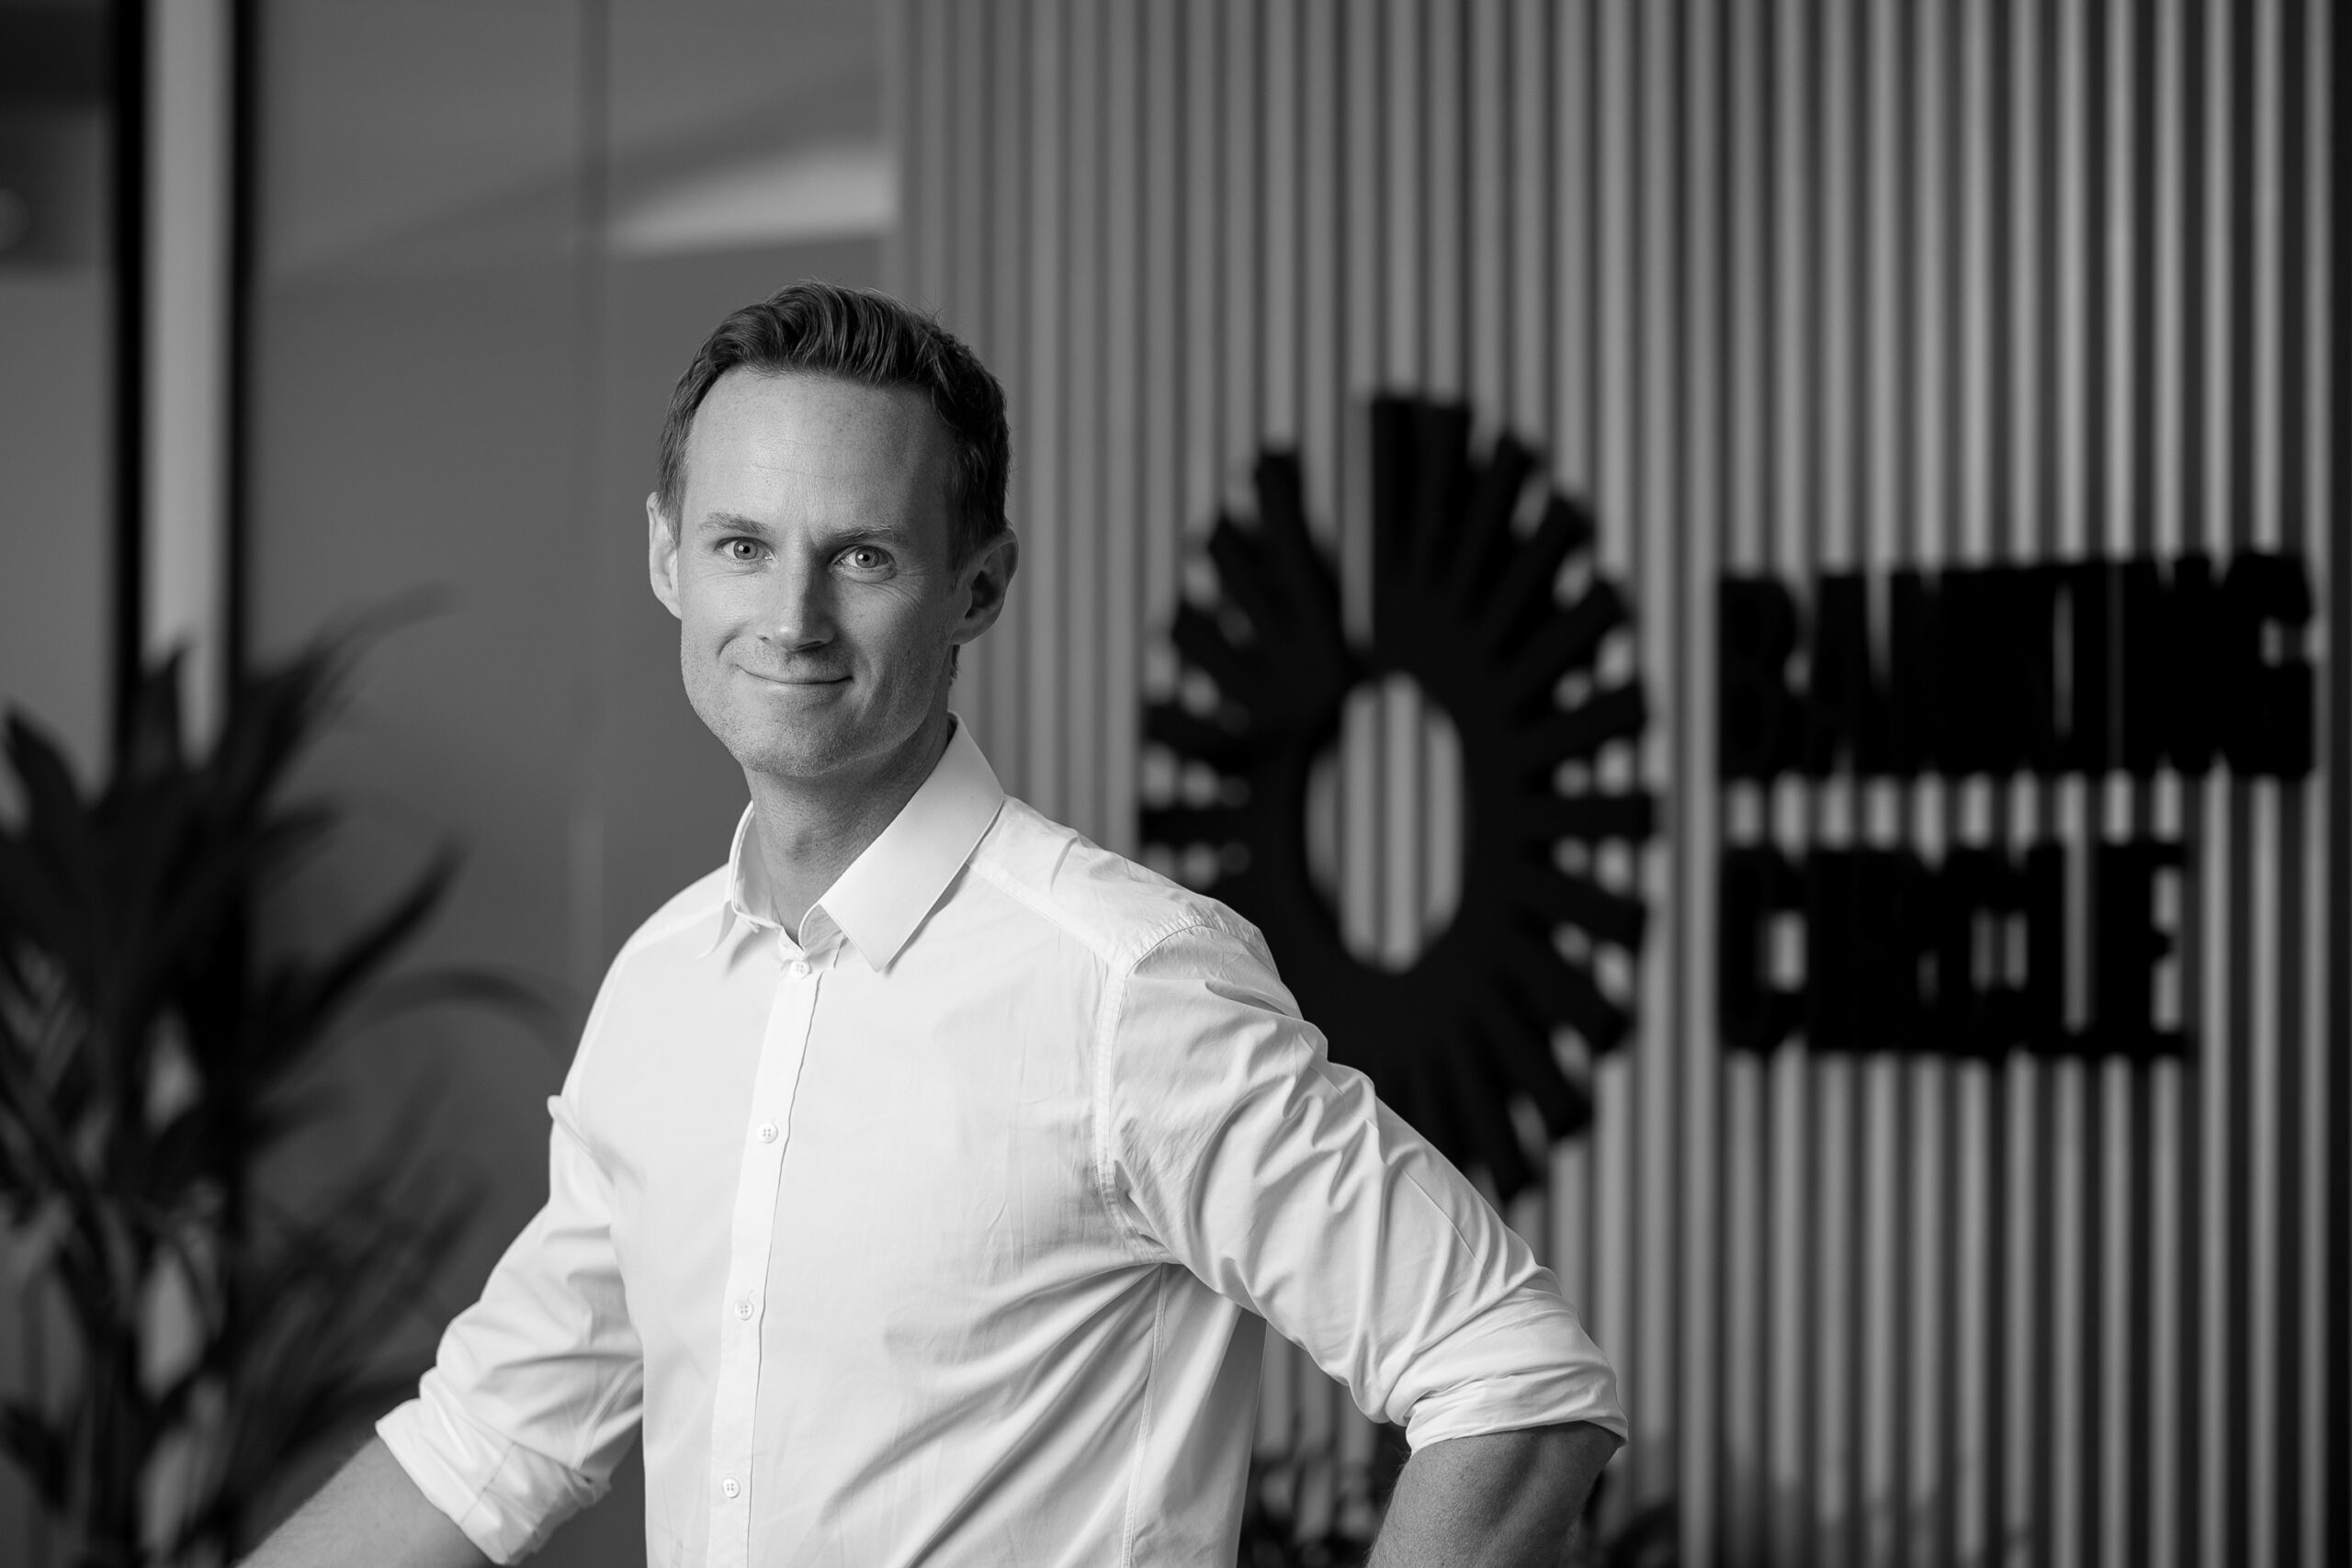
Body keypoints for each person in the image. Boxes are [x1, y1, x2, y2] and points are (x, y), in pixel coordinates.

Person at [243, 282, 1624, 1568]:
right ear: (668, 557)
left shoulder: (1123, 986)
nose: (792, 617)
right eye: (741, 546)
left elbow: (1512, 1374)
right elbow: (484, 1446)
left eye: (863, 555)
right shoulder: (662, 990)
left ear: (978, 586)